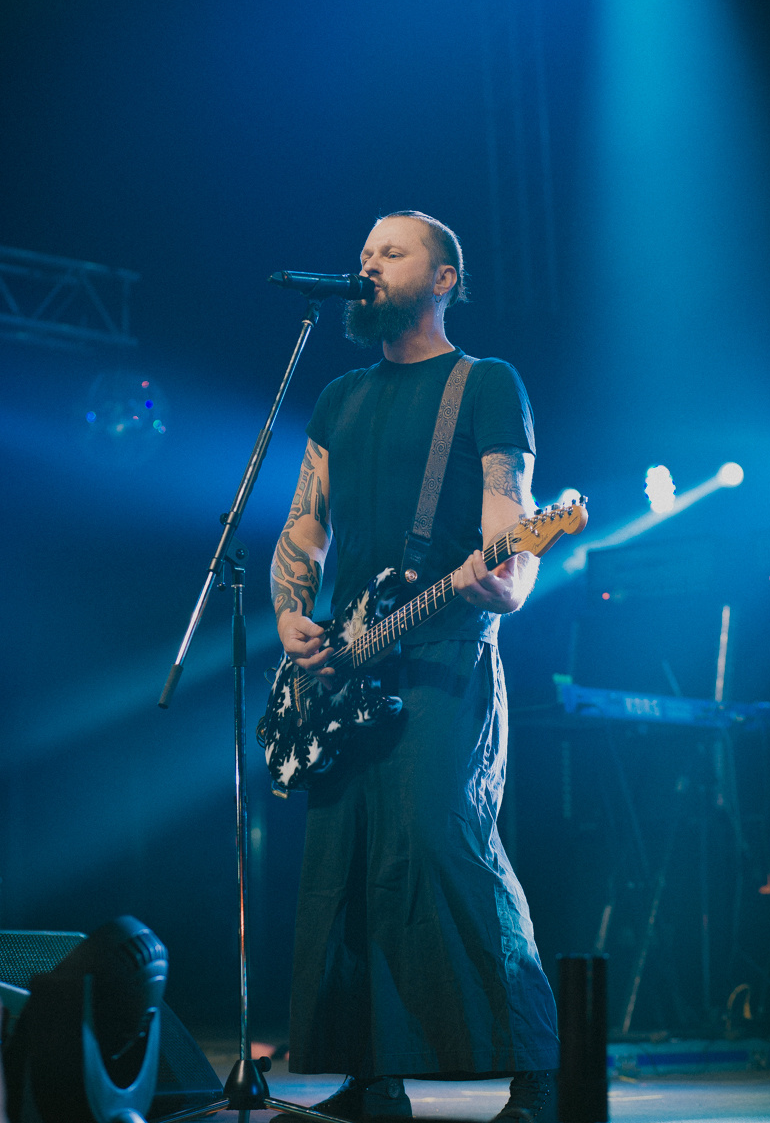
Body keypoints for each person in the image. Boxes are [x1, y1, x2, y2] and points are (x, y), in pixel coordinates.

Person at [270, 211, 559, 1122]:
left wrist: (505, 580)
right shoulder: (339, 399)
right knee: (345, 862)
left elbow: (511, 521)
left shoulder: (485, 385)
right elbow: (303, 527)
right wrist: (288, 613)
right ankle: (369, 1078)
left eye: (390, 253)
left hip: (441, 647)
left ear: (442, 279)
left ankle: (542, 1071)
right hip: (345, 661)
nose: (368, 264)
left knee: (442, 843)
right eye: (363, 253)